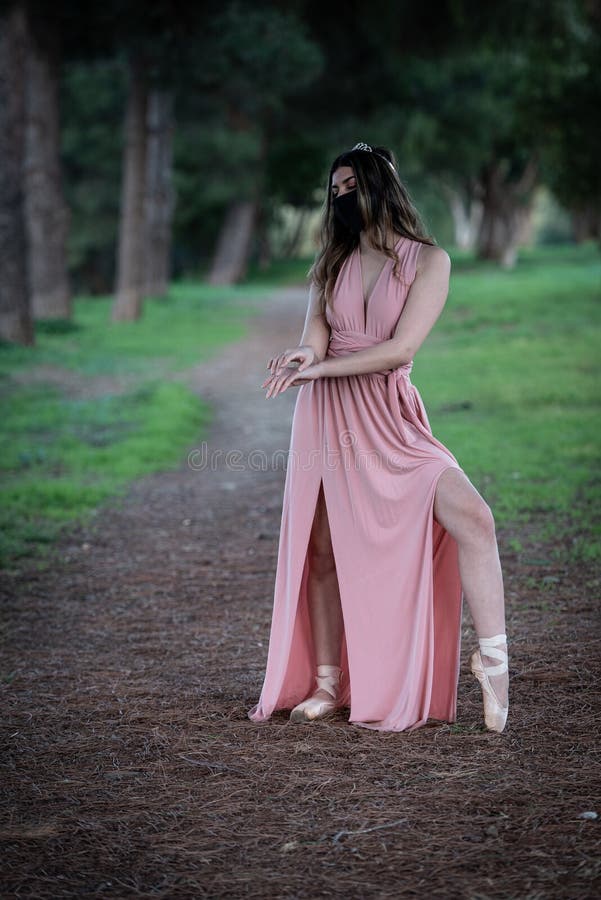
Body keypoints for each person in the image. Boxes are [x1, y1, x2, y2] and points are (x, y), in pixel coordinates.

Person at [247, 143, 509, 734]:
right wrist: (304, 355)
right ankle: (326, 683)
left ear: (380, 186)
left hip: (390, 417)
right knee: (320, 549)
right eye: (333, 190)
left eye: (350, 186)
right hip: (328, 416)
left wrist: (319, 369)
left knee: (474, 516)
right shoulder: (331, 262)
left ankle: (493, 662)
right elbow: (316, 333)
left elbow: (400, 349)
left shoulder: (430, 261)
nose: (341, 198)